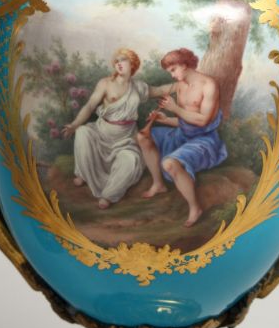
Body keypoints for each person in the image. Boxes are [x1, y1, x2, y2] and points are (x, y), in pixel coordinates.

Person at [137, 48, 228, 228]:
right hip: (182, 135)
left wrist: (175, 109)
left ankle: (195, 208)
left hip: (203, 140)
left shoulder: (208, 85)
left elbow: (202, 121)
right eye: (169, 72)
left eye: (173, 70)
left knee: (169, 164)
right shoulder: (180, 85)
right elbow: (183, 119)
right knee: (142, 137)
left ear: (185, 65)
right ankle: (158, 184)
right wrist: (165, 119)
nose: (172, 75)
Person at [62, 48, 149, 209]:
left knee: (131, 160)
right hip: (102, 133)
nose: (118, 63)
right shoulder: (105, 83)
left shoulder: (138, 87)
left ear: (133, 64)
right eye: (116, 61)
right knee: (82, 132)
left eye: (123, 60)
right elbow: (90, 106)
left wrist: (178, 85)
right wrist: (74, 125)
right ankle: (84, 173)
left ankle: (109, 195)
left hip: (125, 139)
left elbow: (159, 91)